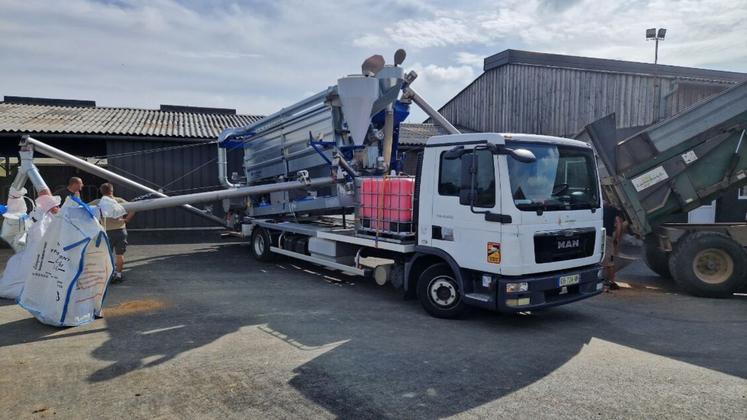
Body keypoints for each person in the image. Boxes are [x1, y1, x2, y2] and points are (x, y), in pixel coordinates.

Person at [90, 183, 135, 283]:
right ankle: (118, 275)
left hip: (106, 231)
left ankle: (108, 275)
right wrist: (126, 220)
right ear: (112, 190)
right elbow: (133, 208)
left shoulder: (97, 202)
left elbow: (85, 209)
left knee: (106, 255)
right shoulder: (119, 201)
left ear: (101, 191)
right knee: (119, 254)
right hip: (120, 230)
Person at [603, 202, 624, 290]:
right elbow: (619, 224)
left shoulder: (599, 208)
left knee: (602, 259)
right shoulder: (614, 210)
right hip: (607, 236)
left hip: (597, 235)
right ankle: (611, 282)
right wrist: (617, 239)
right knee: (610, 260)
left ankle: (602, 279)